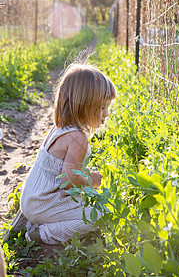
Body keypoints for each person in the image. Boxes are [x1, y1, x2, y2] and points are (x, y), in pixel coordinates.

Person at [4, 63, 116, 245]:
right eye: (101, 107)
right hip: (43, 203)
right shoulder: (78, 138)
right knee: (102, 214)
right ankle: (41, 233)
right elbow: (68, 181)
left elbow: (61, 174)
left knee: (86, 203)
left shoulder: (60, 129)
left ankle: (28, 219)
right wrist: (91, 181)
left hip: (32, 197)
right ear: (83, 106)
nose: (107, 113)